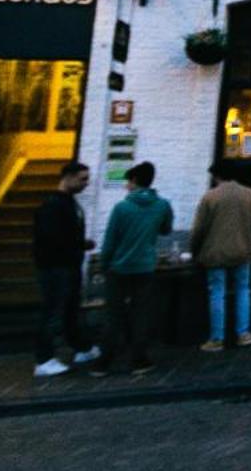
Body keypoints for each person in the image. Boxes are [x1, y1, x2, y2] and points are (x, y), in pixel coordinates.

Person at [90, 161, 173, 377]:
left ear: (134, 181)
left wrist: (104, 264)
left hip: (119, 267)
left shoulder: (122, 208)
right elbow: (166, 229)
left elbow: (110, 240)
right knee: (141, 314)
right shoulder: (162, 205)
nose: (126, 186)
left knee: (113, 314)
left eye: (127, 181)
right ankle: (139, 359)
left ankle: (104, 360)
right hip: (145, 267)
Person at [190, 161, 251, 351]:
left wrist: (194, 250)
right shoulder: (249, 194)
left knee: (217, 292)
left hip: (215, 251)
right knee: (243, 289)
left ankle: (217, 337)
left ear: (217, 176)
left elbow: (199, 229)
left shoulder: (210, 197)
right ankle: (243, 333)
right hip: (241, 250)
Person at [32, 161, 99, 378]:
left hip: (68, 266)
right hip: (56, 267)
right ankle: (43, 360)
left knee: (69, 308)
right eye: (82, 179)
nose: (86, 183)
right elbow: (51, 239)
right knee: (53, 311)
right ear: (68, 177)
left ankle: (81, 347)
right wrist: (80, 244)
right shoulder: (53, 205)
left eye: (86, 179)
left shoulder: (69, 203)